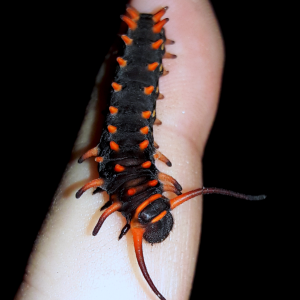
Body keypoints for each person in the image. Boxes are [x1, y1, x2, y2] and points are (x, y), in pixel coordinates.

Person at [15, 0, 224, 299]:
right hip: (143, 65)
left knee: (131, 107)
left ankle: (142, 39)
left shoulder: (140, 174)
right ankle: (144, 39)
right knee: (131, 108)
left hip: (141, 68)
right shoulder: (121, 178)